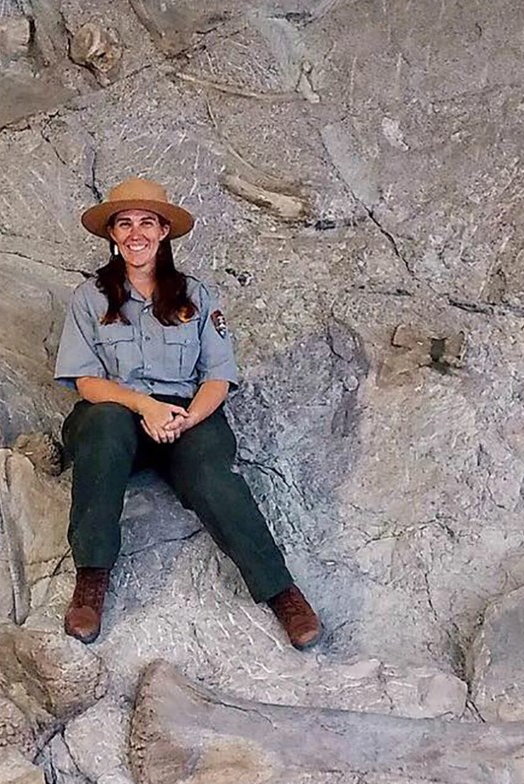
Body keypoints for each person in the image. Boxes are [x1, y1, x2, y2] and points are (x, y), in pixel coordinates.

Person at [53, 177, 322, 649]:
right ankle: (91, 580)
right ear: (113, 235)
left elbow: (218, 376)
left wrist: (187, 420)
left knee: (212, 475)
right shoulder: (89, 298)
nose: (136, 233)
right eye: (125, 223)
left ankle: (282, 593)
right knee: (102, 427)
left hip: (186, 416)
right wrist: (144, 406)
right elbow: (86, 382)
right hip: (119, 413)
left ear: (163, 233)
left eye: (147, 223)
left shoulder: (197, 297)